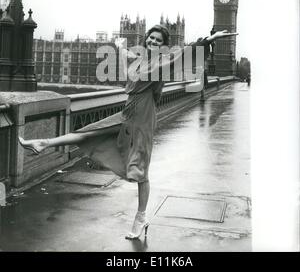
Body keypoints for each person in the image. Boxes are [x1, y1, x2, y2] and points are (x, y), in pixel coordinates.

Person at [19, 25, 237, 240]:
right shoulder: (141, 60)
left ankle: (141, 217)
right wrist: (122, 51)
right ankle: (43, 143)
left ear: (164, 46)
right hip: (128, 112)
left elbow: (184, 54)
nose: (153, 42)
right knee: (89, 132)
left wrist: (208, 40)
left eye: (158, 40)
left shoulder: (164, 61)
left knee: (141, 171)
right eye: (151, 38)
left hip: (142, 118)